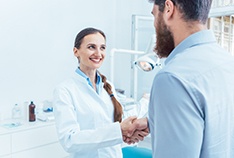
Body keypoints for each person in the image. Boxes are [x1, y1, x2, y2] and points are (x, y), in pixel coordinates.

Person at [125, 0, 234, 157]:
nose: (155, 25)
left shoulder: (172, 78)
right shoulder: (228, 62)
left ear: (168, 9)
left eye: (155, 16)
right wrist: (156, 121)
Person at [53, 27, 148, 158]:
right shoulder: (65, 90)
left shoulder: (107, 85)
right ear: (76, 52)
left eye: (102, 48)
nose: (98, 53)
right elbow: (70, 140)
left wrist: (129, 132)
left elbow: (116, 122)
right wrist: (119, 131)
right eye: (91, 47)